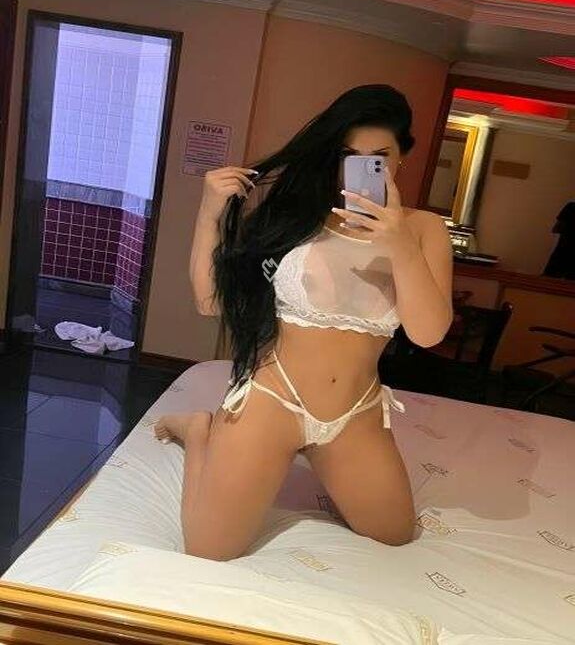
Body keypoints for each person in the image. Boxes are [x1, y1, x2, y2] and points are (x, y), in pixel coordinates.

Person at [154, 84, 454, 561]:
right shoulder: (295, 219)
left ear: (402, 158)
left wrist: (399, 244)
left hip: (355, 412)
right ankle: (199, 432)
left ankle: (314, 450)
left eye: (378, 158)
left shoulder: (424, 229)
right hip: (273, 401)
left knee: (394, 534)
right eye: (348, 156)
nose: (362, 168)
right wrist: (210, 214)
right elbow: (210, 302)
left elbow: (428, 333)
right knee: (209, 550)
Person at [543, 201, 575, 280]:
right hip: (563, 254)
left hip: (562, 253)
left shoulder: (571, 207)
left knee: (547, 281)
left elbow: (556, 229)